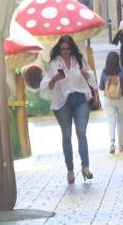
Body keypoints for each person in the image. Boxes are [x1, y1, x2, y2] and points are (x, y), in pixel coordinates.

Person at [40, 35, 98, 183]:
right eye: (63, 49)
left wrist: (86, 73)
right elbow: (45, 86)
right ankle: (70, 170)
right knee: (66, 135)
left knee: (81, 132)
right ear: (59, 49)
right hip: (62, 103)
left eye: (68, 48)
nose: (65, 51)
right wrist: (54, 79)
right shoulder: (53, 63)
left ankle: (85, 167)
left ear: (72, 48)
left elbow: (91, 76)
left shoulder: (78, 60)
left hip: (80, 99)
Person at [101, 51, 123, 153]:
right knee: (120, 121)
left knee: (111, 121)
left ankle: (112, 143)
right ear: (118, 61)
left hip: (108, 100)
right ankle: (120, 146)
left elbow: (101, 87)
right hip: (121, 99)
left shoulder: (104, 73)